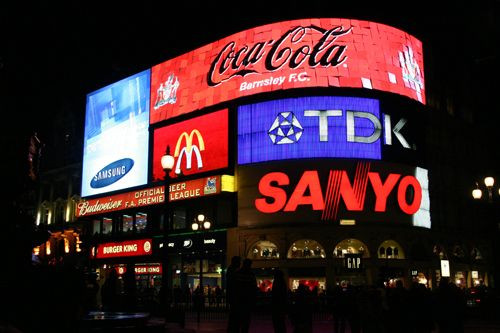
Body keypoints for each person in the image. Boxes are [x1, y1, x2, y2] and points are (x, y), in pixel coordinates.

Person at [232, 258, 257, 333]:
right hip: (247, 301)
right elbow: (253, 288)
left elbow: (234, 287)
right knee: (246, 322)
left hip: (238, 301)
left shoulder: (237, 273)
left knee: (237, 322)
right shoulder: (251, 274)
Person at [226, 256, 241, 332]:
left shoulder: (231, 270)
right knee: (234, 314)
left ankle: (232, 328)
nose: (240, 264)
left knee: (233, 315)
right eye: (239, 262)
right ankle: (234, 329)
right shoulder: (233, 271)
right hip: (234, 296)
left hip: (232, 296)